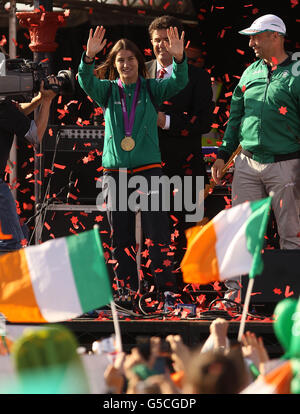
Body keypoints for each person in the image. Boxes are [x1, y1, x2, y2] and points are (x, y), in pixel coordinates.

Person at [78, 25, 188, 310]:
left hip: (149, 170)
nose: (126, 64)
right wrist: (88, 58)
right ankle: (126, 292)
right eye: (120, 60)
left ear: (140, 62)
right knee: (120, 236)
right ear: (114, 65)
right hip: (115, 173)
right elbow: (84, 81)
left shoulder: (151, 88)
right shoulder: (107, 91)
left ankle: (166, 291)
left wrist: (179, 59)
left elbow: (178, 83)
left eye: (130, 59)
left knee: (158, 232)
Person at [211, 14, 300, 302]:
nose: (251, 43)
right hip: (247, 163)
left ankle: (294, 297)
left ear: (276, 36)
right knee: (241, 231)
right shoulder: (250, 72)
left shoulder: (298, 72)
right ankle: (236, 294)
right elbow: (235, 117)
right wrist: (222, 155)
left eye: (256, 36)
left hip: (287, 164)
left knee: (292, 232)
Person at [145, 15, 214, 289]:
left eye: (168, 39)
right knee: (154, 230)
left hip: (186, 166)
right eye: (157, 40)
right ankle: (157, 289)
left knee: (190, 230)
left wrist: (167, 121)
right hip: (147, 167)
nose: (163, 45)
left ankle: (194, 292)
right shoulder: (139, 72)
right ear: (150, 44)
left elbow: (205, 122)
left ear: (181, 41)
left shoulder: (198, 76)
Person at [0, 78, 58, 255]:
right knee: (10, 244)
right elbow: (35, 135)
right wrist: (47, 101)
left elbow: (16, 114)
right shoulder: (3, 108)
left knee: (16, 236)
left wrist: (39, 99)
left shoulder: (6, 109)